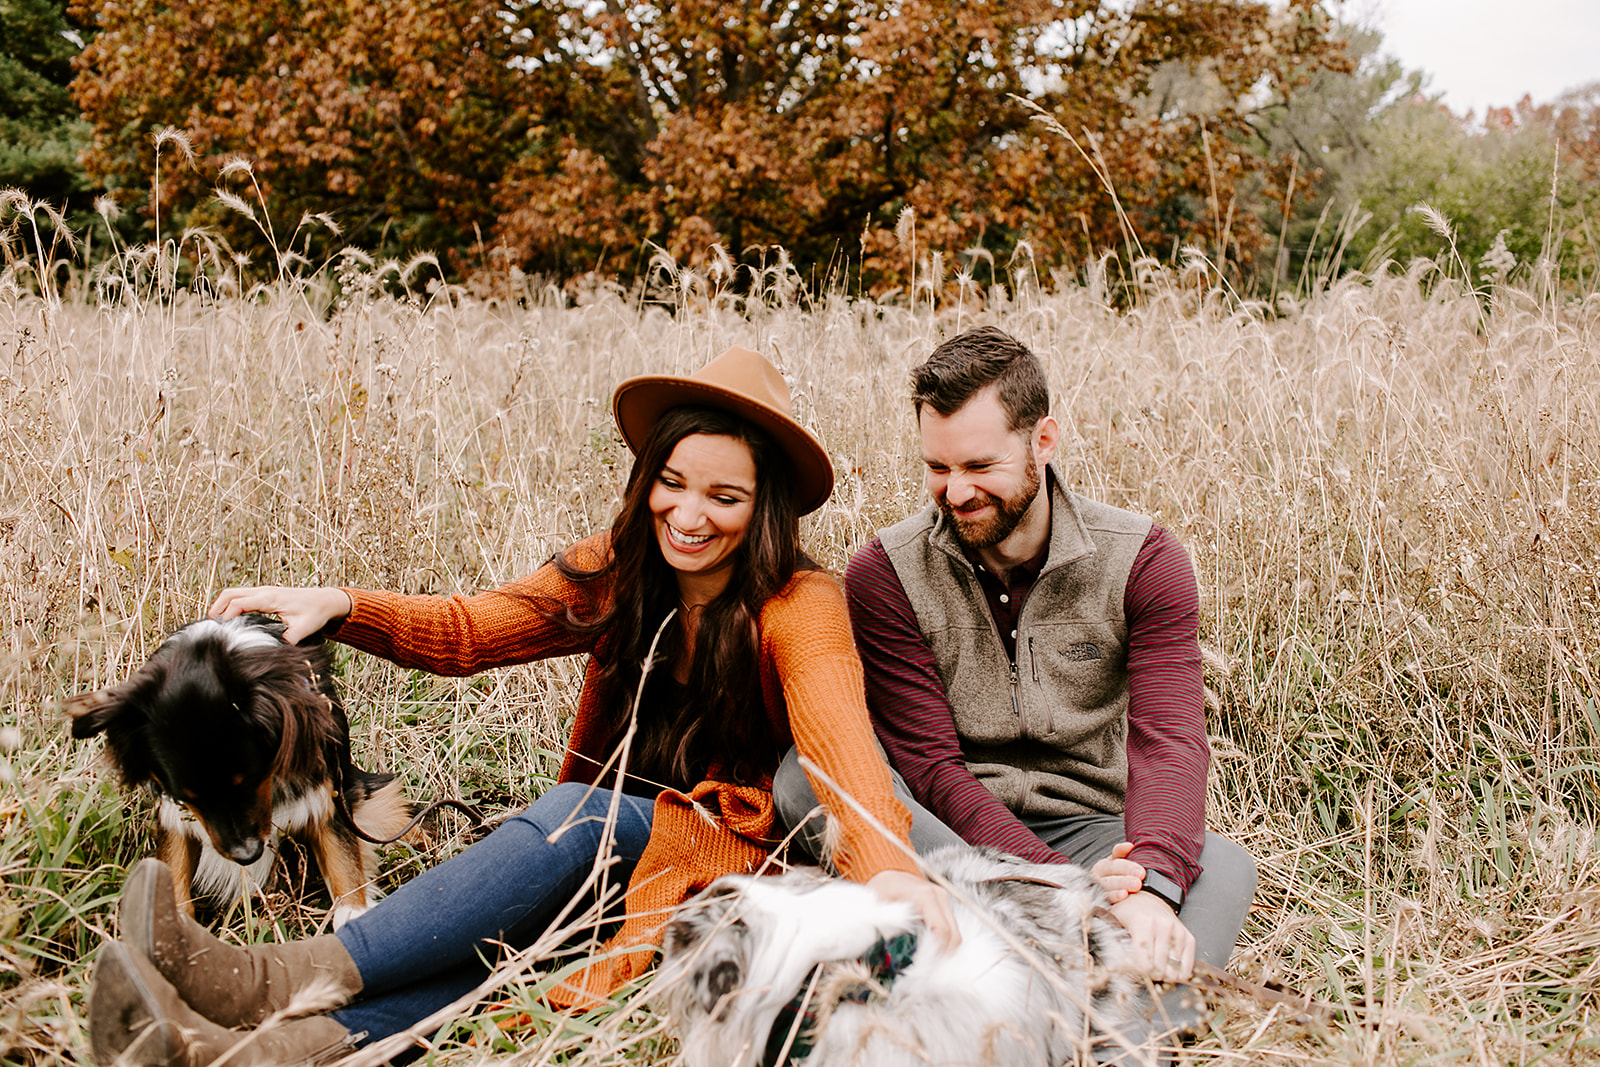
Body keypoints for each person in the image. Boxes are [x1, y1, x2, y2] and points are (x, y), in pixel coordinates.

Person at [86, 345, 956, 1067]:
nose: (688, 514)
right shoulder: (620, 572)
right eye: (673, 482)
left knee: (580, 815)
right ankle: (228, 1053)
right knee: (500, 958)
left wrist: (892, 869)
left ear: (762, 505)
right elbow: (474, 630)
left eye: (723, 497)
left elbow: (841, 747)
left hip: (736, 868)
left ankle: (261, 979)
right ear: (648, 475)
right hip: (627, 868)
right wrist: (346, 604)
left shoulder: (800, 603)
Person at [775, 326, 1257, 1037]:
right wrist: (1063, 891)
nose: (956, 491)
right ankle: (1073, 967)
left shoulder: (1144, 559)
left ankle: (1126, 1036)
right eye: (937, 467)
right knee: (804, 775)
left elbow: (1170, 742)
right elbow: (932, 766)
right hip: (946, 833)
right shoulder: (885, 573)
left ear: (1044, 441)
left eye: (979, 464)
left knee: (1218, 862)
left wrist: (1149, 882)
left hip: (1093, 831)